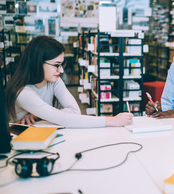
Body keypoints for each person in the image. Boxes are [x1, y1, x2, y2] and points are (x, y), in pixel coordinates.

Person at [5, 35, 133, 128]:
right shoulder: (22, 93)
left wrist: (39, 115)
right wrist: (111, 121)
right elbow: (64, 119)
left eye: (62, 64)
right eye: (56, 65)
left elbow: (74, 112)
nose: (60, 70)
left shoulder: (54, 81)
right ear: (38, 63)